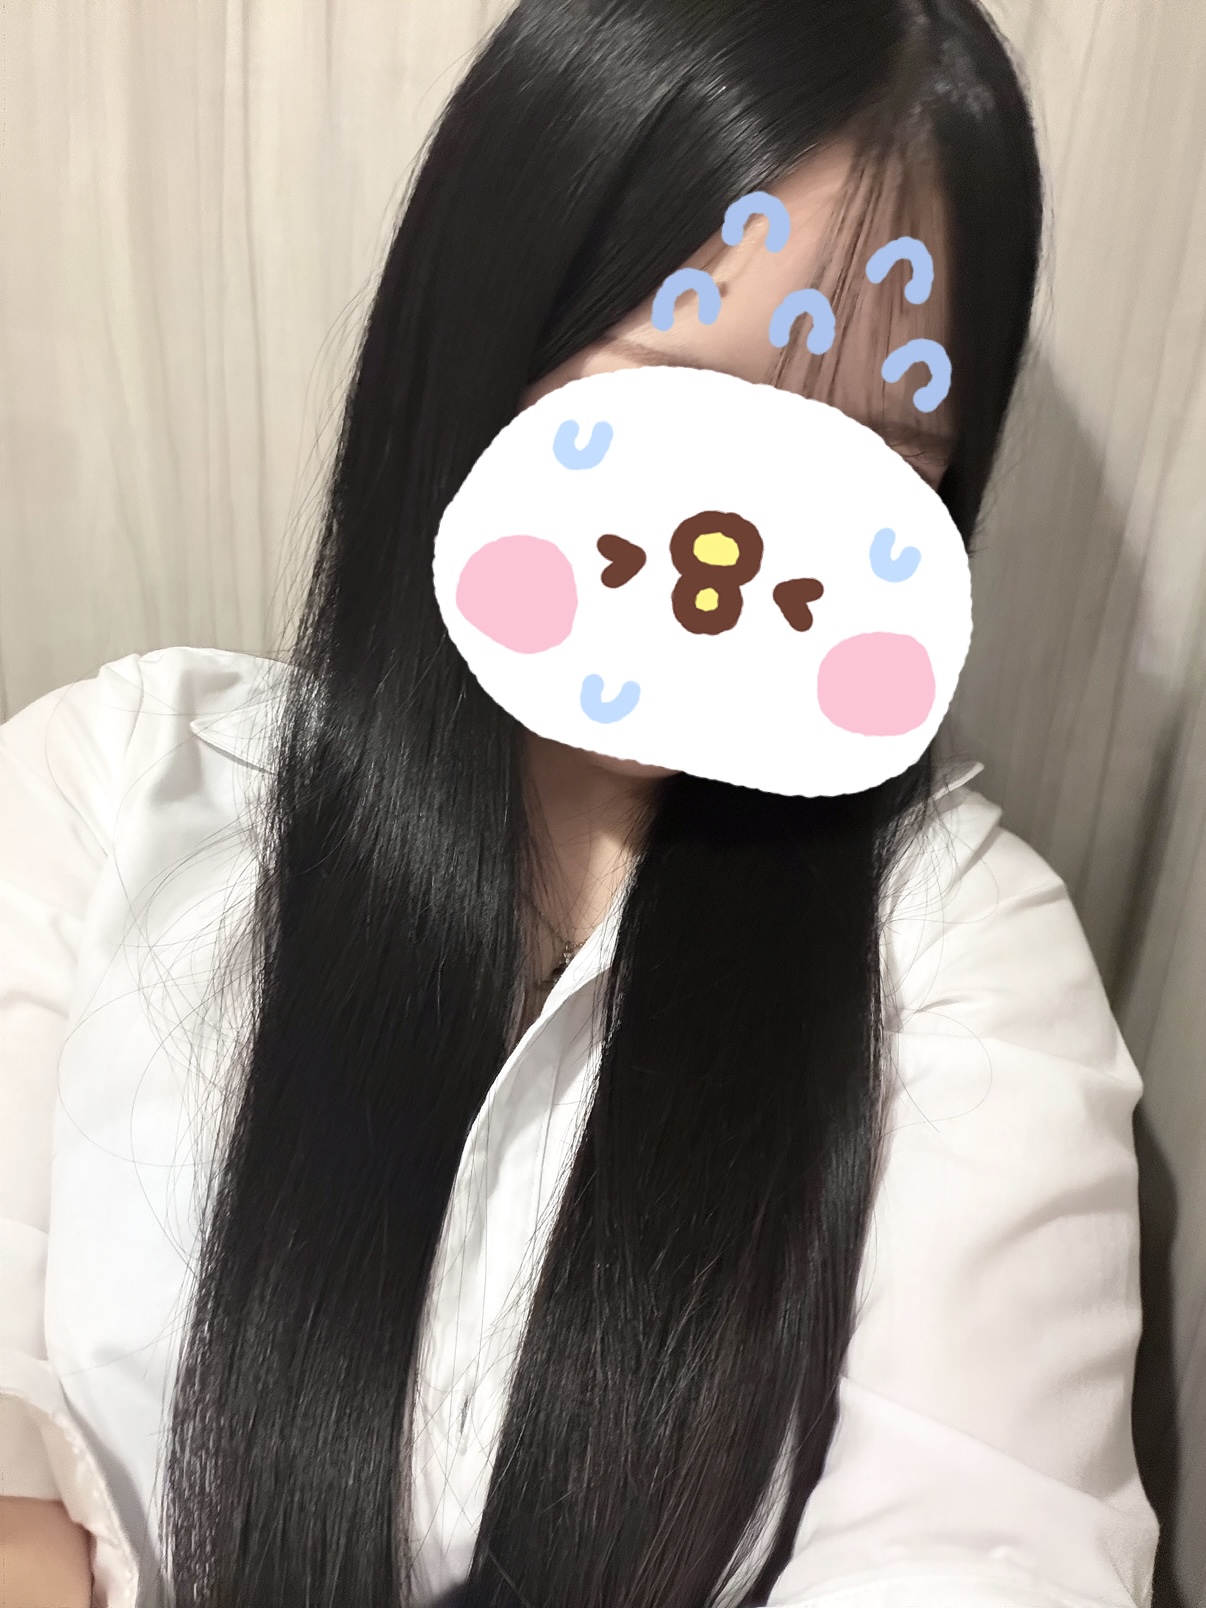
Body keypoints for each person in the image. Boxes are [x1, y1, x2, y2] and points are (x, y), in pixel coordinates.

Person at [0, 1, 1161, 1605]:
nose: (748, 559)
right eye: (680, 409)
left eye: (883, 452)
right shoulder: (106, 788)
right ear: (476, 339)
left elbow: (987, 1551)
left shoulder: (966, 963)